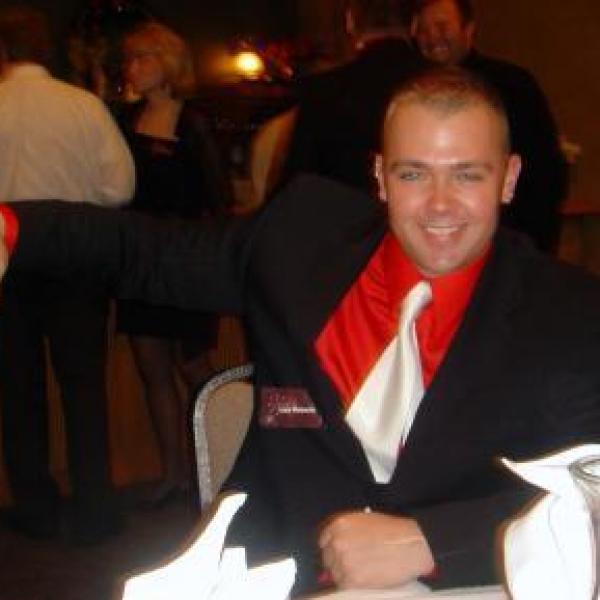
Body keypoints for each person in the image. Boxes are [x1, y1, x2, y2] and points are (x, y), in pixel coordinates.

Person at [1, 68, 600, 596]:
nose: (440, 205)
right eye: (414, 174)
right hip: (277, 576)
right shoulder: (302, 240)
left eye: (467, 175)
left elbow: (592, 492)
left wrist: (434, 541)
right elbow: (144, 251)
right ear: (380, 176)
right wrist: (11, 230)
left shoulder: (567, 313)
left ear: (509, 178)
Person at [0, 6, 134, 543]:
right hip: (77, 254)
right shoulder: (82, 104)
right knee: (84, 388)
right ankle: (96, 507)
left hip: (7, 255)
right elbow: (120, 187)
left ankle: (34, 506)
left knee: (17, 388)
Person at [116, 20, 232, 506]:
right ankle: (173, 474)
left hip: (186, 263)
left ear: (167, 64)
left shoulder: (193, 122)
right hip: (139, 261)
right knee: (152, 370)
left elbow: (219, 200)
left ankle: (219, 467)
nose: (132, 67)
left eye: (142, 57)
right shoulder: (124, 120)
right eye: (130, 59)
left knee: (195, 368)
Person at [409, 0, 568, 252]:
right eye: (423, 30)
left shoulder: (513, 85)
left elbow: (545, 172)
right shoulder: (408, 92)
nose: (432, 38)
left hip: (509, 238)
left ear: (469, 29)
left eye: (441, 27)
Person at [281, 0, 422, 193]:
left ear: (350, 22)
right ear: (414, 24)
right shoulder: (448, 85)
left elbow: (295, 188)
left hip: (337, 211)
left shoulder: (323, 91)